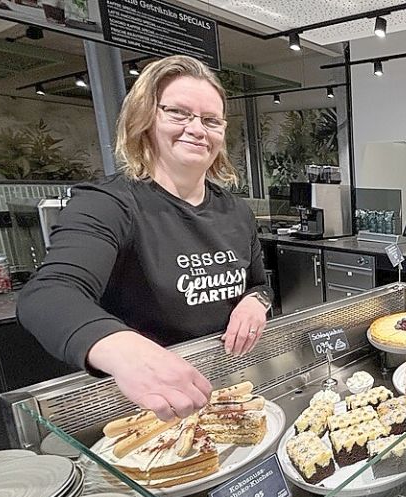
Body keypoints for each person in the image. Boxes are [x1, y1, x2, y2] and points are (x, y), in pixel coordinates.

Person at [18, 55, 273, 422]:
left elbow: (259, 286)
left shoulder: (236, 212)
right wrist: (120, 349)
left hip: (221, 386)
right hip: (142, 405)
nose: (197, 129)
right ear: (146, 120)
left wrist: (254, 303)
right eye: (178, 113)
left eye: (211, 120)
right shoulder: (110, 204)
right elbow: (48, 294)